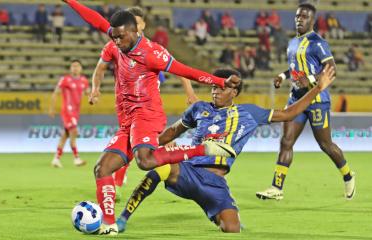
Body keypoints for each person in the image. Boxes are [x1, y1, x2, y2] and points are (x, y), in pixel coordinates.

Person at [64, 0, 238, 235]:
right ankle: (109, 224)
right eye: (113, 37)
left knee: (144, 160)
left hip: (146, 113)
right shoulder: (117, 39)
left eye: (121, 37)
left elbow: (186, 70)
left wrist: (219, 81)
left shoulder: (152, 53)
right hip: (127, 120)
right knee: (102, 169)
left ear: (135, 31)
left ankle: (202, 150)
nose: (116, 42)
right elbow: (94, 18)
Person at [116, 66, 336, 233]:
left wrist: (318, 88)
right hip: (188, 171)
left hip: (216, 182)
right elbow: (170, 133)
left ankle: (214, 212)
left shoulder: (249, 113)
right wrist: (147, 145)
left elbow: (288, 114)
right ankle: (123, 218)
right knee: (161, 169)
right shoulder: (198, 109)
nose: (215, 91)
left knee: (232, 228)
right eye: (213, 86)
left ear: (234, 92)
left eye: (221, 88)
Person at [88, 6, 198, 202]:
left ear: (142, 25)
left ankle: (185, 164)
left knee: (146, 151)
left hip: (148, 111)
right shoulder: (115, 46)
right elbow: (100, 68)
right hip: (128, 110)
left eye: (137, 24)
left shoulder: (152, 52)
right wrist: (95, 88)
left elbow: (179, 69)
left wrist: (190, 92)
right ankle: (121, 184)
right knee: (137, 149)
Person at [256, 3, 355, 201]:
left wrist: (310, 80)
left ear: (312, 20)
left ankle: (348, 175)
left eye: (304, 16)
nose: (299, 19)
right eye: (297, 16)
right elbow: (295, 69)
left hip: (317, 101)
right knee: (286, 141)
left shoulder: (317, 42)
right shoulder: (293, 42)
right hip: (296, 99)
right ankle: (277, 187)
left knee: (325, 145)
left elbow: (331, 69)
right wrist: (282, 76)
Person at [49, 59, 89, 168]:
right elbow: (55, 93)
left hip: (76, 111)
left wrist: (93, 96)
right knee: (74, 131)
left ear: (81, 68)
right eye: (73, 66)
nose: (75, 68)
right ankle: (76, 158)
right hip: (67, 110)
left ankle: (56, 159)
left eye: (77, 66)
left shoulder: (84, 81)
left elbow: (87, 93)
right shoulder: (65, 80)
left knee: (65, 135)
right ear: (70, 68)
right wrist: (52, 108)